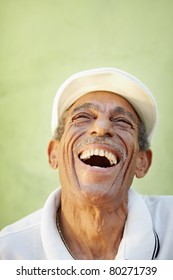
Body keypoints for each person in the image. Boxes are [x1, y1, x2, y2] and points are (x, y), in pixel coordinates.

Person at [0, 67, 173, 260]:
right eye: (82, 117)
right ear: (54, 154)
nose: (102, 128)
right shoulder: (8, 252)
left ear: (142, 162)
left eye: (122, 121)